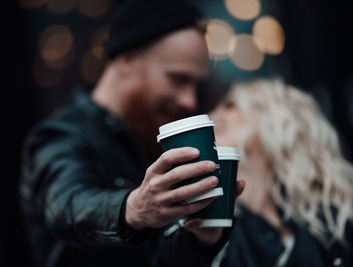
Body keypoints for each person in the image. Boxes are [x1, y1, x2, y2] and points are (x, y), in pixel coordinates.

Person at [19, 1, 244, 266]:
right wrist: (134, 207)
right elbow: (64, 206)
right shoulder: (61, 137)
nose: (190, 101)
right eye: (178, 79)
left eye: (195, 84)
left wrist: (203, 238)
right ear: (126, 61)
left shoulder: (149, 133)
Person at [206, 79, 353, 266]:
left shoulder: (333, 226)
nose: (212, 116)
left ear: (276, 117)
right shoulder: (208, 229)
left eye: (230, 105)